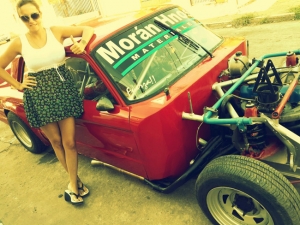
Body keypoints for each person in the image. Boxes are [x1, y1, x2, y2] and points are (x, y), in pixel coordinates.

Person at [0, 0, 94, 204]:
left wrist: (82, 43)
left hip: (63, 91)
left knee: (69, 142)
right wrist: (17, 84)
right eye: (25, 17)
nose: (31, 21)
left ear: (40, 13)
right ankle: (75, 182)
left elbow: (87, 28)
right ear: (20, 19)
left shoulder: (56, 31)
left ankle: (72, 185)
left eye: (34, 15)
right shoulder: (19, 42)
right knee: (57, 142)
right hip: (38, 95)